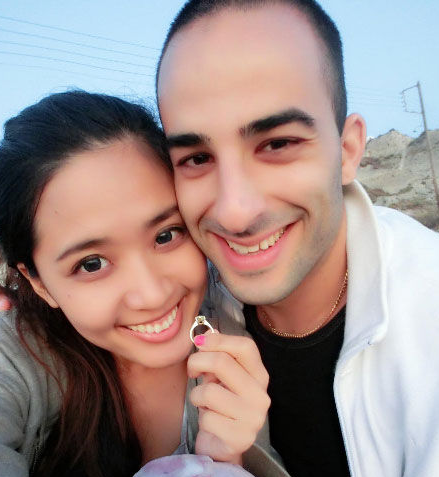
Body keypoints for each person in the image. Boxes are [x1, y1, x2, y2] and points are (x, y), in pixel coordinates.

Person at [156, 1, 439, 476]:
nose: (234, 211)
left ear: (347, 150)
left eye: (277, 144)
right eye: (197, 158)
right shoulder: (178, 303)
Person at [0, 90, 281, 477]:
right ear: (39, 283)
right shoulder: (15, 361)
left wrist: (228, 463)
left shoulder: (240, 325)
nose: (151, 294)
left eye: (166, 235)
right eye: (92, 264)